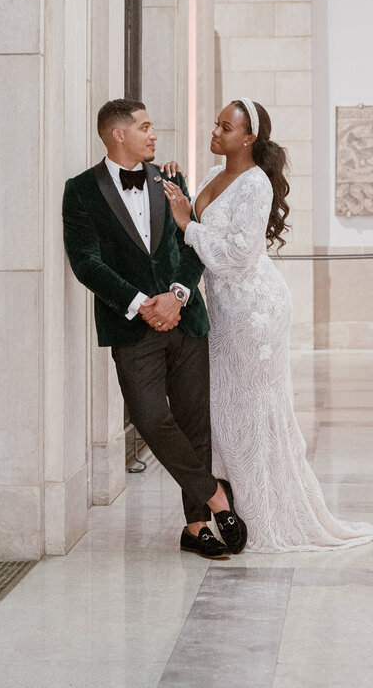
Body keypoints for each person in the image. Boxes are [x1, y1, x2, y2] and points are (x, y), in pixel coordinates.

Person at [163, 98, 373, 553]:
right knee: (222, 413)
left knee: (253, 413)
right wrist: (178, 189)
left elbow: (238, 255)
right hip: (223, 313)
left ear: (249, 138)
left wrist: (187, 225)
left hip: (255, 312)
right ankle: (229, 507)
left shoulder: (256, 184)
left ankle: (262, 518)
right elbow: (199, 228)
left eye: (227, 127)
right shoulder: (212, 174)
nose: (217, 132)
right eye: (217, 123)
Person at [62, 98, 247, 559]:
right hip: (131, 325)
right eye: (145, 127)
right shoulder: (80, 190)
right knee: (149, 417)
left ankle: (197, 526)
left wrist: (177, 295)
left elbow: (190, 245)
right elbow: (86, 261)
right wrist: (142, 303)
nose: (153, 134)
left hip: (186, 319)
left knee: (193, 422)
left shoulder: (171, 180)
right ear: (118, 134)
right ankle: (216, 495)